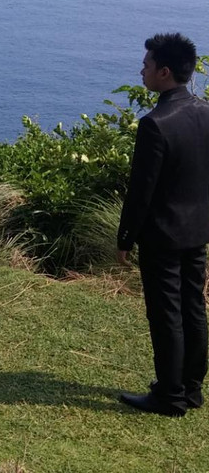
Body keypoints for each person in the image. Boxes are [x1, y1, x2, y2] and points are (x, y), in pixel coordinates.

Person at [117, 32, 209, 416]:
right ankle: (190, 389)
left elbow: (142, 192)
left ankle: (169, 395)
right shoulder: (205, 111)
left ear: (165, 72)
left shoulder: (155, 124)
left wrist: (125, 238)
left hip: (163, 235)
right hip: (198, 230)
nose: (142, 70)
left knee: (166, 313)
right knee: (194, 307)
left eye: (148, 65)